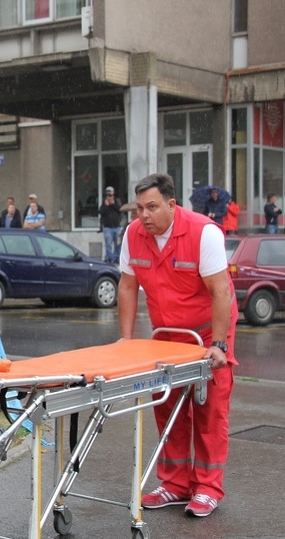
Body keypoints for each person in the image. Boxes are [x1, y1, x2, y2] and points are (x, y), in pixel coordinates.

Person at [118, 172, 237, 519]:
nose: (144, 215)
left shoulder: (204, 233)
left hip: (207, 332)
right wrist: (126, 341)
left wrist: (219, 346)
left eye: (152, 207)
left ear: (172, 205)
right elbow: (127, 287)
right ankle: (174, 483)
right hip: (166, 335)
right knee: (166, 406)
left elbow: (221, 292)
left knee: (209, 410)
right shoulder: (133, 235)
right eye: (139, 208)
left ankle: (208, 488)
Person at [98, 186, 122, 263]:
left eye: (110, 191)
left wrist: (113, 204)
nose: (109, 193)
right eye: (107, 191)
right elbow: (101, 212)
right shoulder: (104, 201)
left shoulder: (117, 200)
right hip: (107, 227)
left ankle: (117, 258)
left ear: (113, 192)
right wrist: (106, 205)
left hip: (117, 226)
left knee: (117, 244)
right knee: (108, 244)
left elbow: (120, 209)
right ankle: (109, 258)